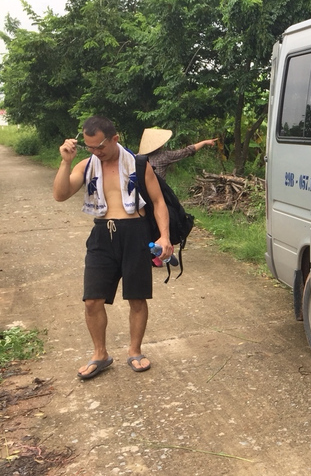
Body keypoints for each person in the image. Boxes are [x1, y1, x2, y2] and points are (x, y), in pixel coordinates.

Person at [53, 115, 172, 379]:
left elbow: (158, 201)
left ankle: (135, 350)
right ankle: (100, 354)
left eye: (100, 147)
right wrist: (65, 162)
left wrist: (165, 236)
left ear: (115, 139)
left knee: (136, 297)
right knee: (92, 300)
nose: (96, 152)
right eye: (90, 147)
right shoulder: (86, 165)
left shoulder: (139, 165)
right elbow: (60, 195)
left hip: (135, 233)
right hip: (102, 235)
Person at [138, 128, 217, 180]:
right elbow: (187, 151)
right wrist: (204, 142)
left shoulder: (136, 157)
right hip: (159, 192)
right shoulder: (163, 156)